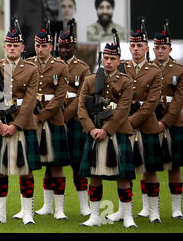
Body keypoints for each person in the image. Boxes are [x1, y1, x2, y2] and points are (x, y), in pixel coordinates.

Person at [0, 28, 41, 225]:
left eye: (16, 45)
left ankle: (28, 213)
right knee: (1, 170)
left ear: (22, 48)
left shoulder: (31, 69)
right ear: (5, 47)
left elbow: (31, 101)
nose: (12, 48)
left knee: (26, 171)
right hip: (1, 124)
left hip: (23, 125)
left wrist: (15, 125)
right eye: (9, 45)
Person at [77, 38, 137, 228]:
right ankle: (95, 216)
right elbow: (81, 109)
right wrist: (92, 129)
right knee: (94, 176)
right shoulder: (90, 80)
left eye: (112, 58)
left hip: (117, 133)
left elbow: (123, 110)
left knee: (123, 177)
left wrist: (106, 130)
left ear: (119, 60)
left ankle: (128, 217)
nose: (109, 61)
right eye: (106, 58)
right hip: (94, 133)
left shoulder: (126, 81)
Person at [120, 28, 163, 223]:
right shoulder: (121, 68)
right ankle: (124, 211)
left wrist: (131, 120)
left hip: (147, 126)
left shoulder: (154, 71)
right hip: (123, 126)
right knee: (125, 171)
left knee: (150, 171)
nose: (136, 49)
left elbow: (152, 103)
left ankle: (154, 212)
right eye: (133, 46)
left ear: (147, 48)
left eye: (139, 46)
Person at [27, 28, 70, 220]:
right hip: (30, 119)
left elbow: (60, 97)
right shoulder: (28, 64)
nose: (40, 49)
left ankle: (59, 208)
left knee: (56, 165)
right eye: (37, 45)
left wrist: (42, 116)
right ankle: (43, 206)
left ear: (51, 46)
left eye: (44, 46)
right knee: (29, 165)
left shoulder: (60, 66)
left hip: (53, 119)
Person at [57, 20, 92, 217]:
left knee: (78, 165)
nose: (63, 49)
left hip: (75, 120)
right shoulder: (52, 66)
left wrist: (64, 115)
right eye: (61, 46)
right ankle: (50, 205)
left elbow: (82, 96)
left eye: (67, 46)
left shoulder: (83, 68)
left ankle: (84, 205)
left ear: (74, 46)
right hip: (55, 119)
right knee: (54, 163)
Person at [151, 27, 183, 219]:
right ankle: (150, 209)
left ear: (170, 49)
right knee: (149, 166)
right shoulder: (148, 68)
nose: (160, 50)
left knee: (175, 166)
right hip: (150, 123)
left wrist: (165, 122)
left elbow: (179, 100)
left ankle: (176, 208)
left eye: (164, 47)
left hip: (174, 123)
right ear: (153, 49)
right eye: (157, 47)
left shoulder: (179, 70)